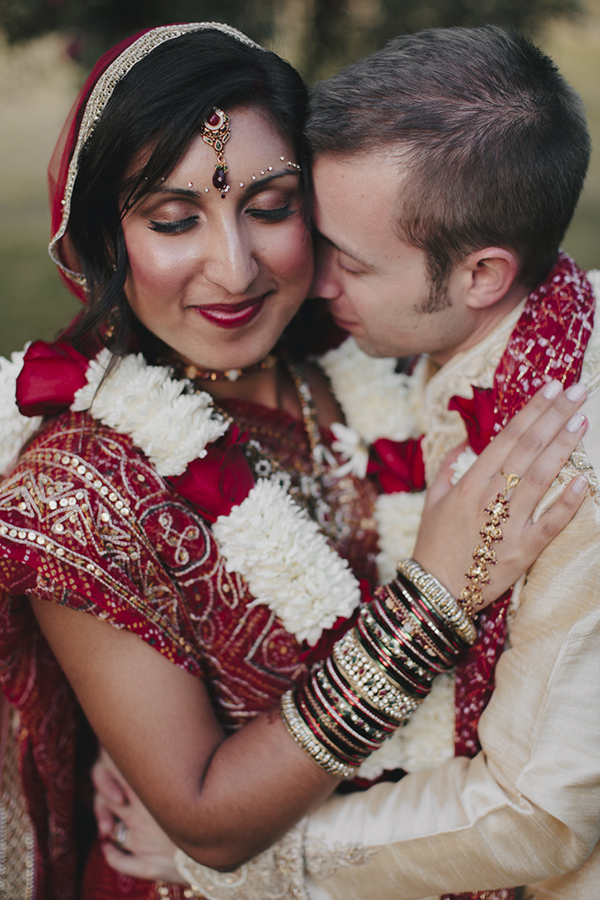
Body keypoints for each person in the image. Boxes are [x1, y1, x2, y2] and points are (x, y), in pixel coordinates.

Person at [0, 21, 590, 900]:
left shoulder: (374, 355)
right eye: (172, 219)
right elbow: (203, 819)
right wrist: (429, 601)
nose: (234, 268)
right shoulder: (79, 489)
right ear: (105, 243)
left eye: (271, 209)